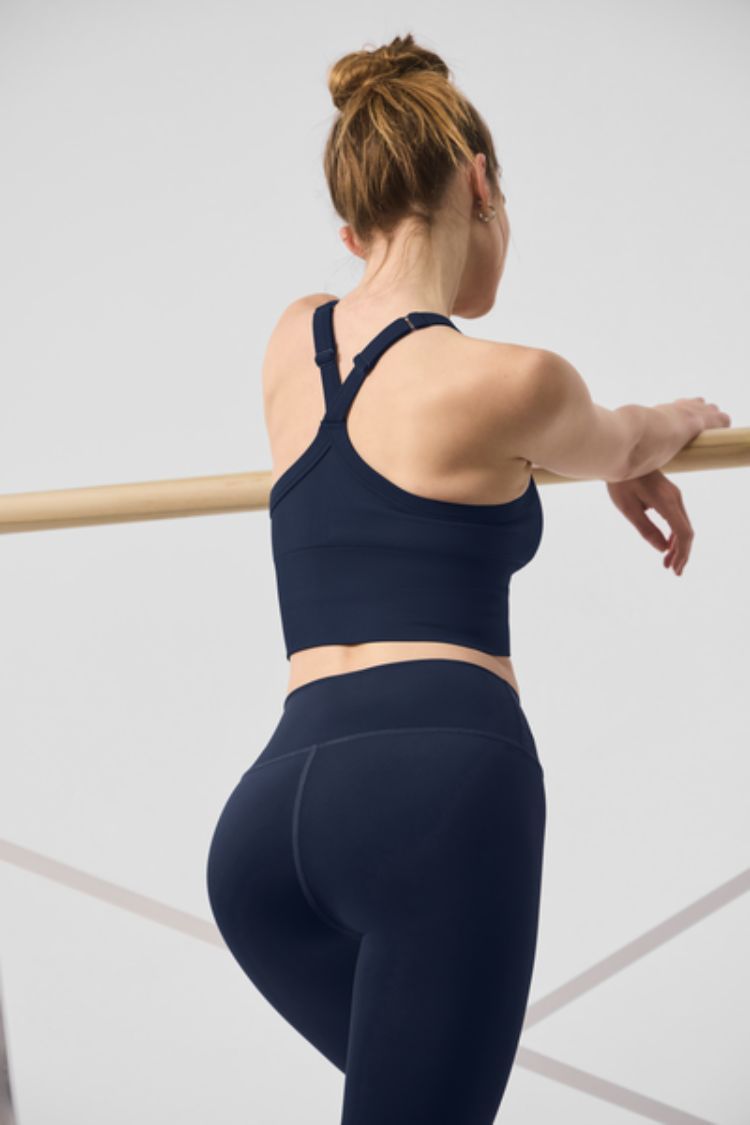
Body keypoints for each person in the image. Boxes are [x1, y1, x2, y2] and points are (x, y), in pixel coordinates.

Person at [206, 33, 730, 1123]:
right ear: (481, 182)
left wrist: (591, 458)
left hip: (263, 835)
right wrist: (675, 422)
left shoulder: (291, 338)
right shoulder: (515, 382)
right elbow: (624, 435)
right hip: (436, 796)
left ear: (353, 232)